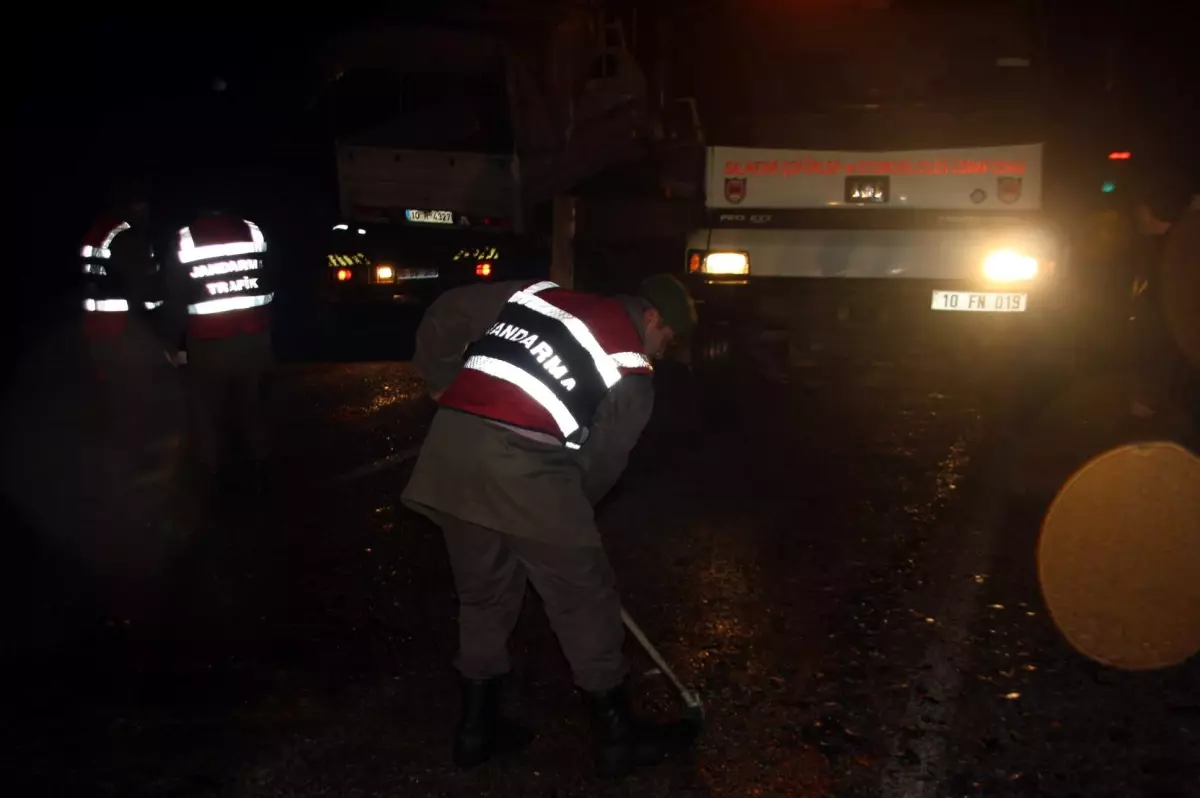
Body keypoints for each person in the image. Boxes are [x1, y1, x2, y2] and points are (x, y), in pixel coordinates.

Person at [402, 274, 699, 778]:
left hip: (449, 453)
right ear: (651, 318)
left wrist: (440, 380)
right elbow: (599, 468)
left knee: (483, 596)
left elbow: (449, 310)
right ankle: (617, 737)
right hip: (527, 469)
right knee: (584, 599)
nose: (665, 349)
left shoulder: (540, 295)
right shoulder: (631, 369)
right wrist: (553, 529)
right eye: (668, 336)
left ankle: (476, 731)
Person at [163, 210, 274, 498]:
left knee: (208, 414)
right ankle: (260, 477)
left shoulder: (185, 238)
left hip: (208, 341)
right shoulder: (253, 229)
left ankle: (215, 484)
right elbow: (269, 278)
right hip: (254, 337)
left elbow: (175, 296)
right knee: (251, 408)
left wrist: (174, 345)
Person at [1129, 175, 1198, 428]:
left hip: (1179, 365)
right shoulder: (1162, 246)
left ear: (1154, 212)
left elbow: (1169, 320)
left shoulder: (1181, 248)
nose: (1136, 215)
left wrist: (1145, 398)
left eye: (1142, 209)